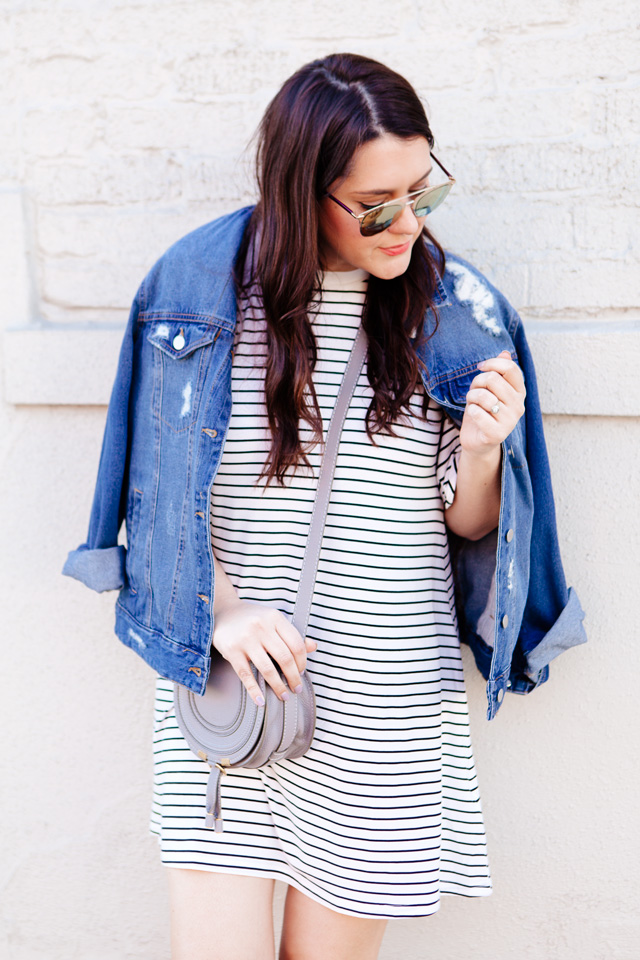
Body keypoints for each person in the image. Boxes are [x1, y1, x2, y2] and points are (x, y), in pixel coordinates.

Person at [63, 53, 586, 960]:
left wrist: (482, 448)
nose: (408, 225)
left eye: (424, 193)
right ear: (301, 190)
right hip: (230, 684)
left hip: (384, 700)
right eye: (376, 205)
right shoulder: (195, 290)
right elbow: (157, 496)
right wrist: (219, 611)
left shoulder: (458, 309)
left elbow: (469, 527)